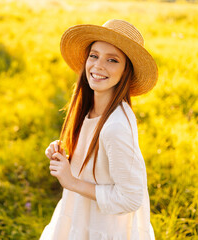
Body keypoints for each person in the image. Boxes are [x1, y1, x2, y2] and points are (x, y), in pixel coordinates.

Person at [40, 19, 158, 240]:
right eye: (94, 55)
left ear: (126, 71)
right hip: (79, 214)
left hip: (102, 228)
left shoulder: (116, 127)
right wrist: (65, 155)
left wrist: (72, 181)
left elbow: (131, 197)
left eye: (112, 60)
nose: (98, 66)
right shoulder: (90, 107)